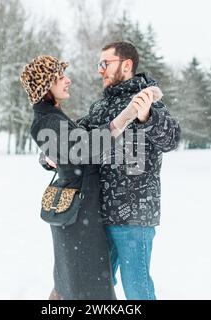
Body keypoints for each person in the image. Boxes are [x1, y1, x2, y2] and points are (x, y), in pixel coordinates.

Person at [20, 55, 156, 300]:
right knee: (86, 286)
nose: (67, 81)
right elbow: (87, 147)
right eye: (60, 77)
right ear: (45, 86)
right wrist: (125, 116)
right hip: (77, 215)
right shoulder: (46, 120)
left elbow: (74, 144)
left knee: (79, 283)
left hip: (80, 211)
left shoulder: (53, 116)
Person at [75, 42, 181, 300]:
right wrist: (49, 156)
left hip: (134, 216)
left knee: (137, 288)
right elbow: (73, 141)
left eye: (105, 63)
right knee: (97, 288)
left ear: (127, 65)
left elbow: (172, 139)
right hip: (97, 215)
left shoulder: (147, 100)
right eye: (99, 64)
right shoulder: (99, 106)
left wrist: (147, 117)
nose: (100, 70)